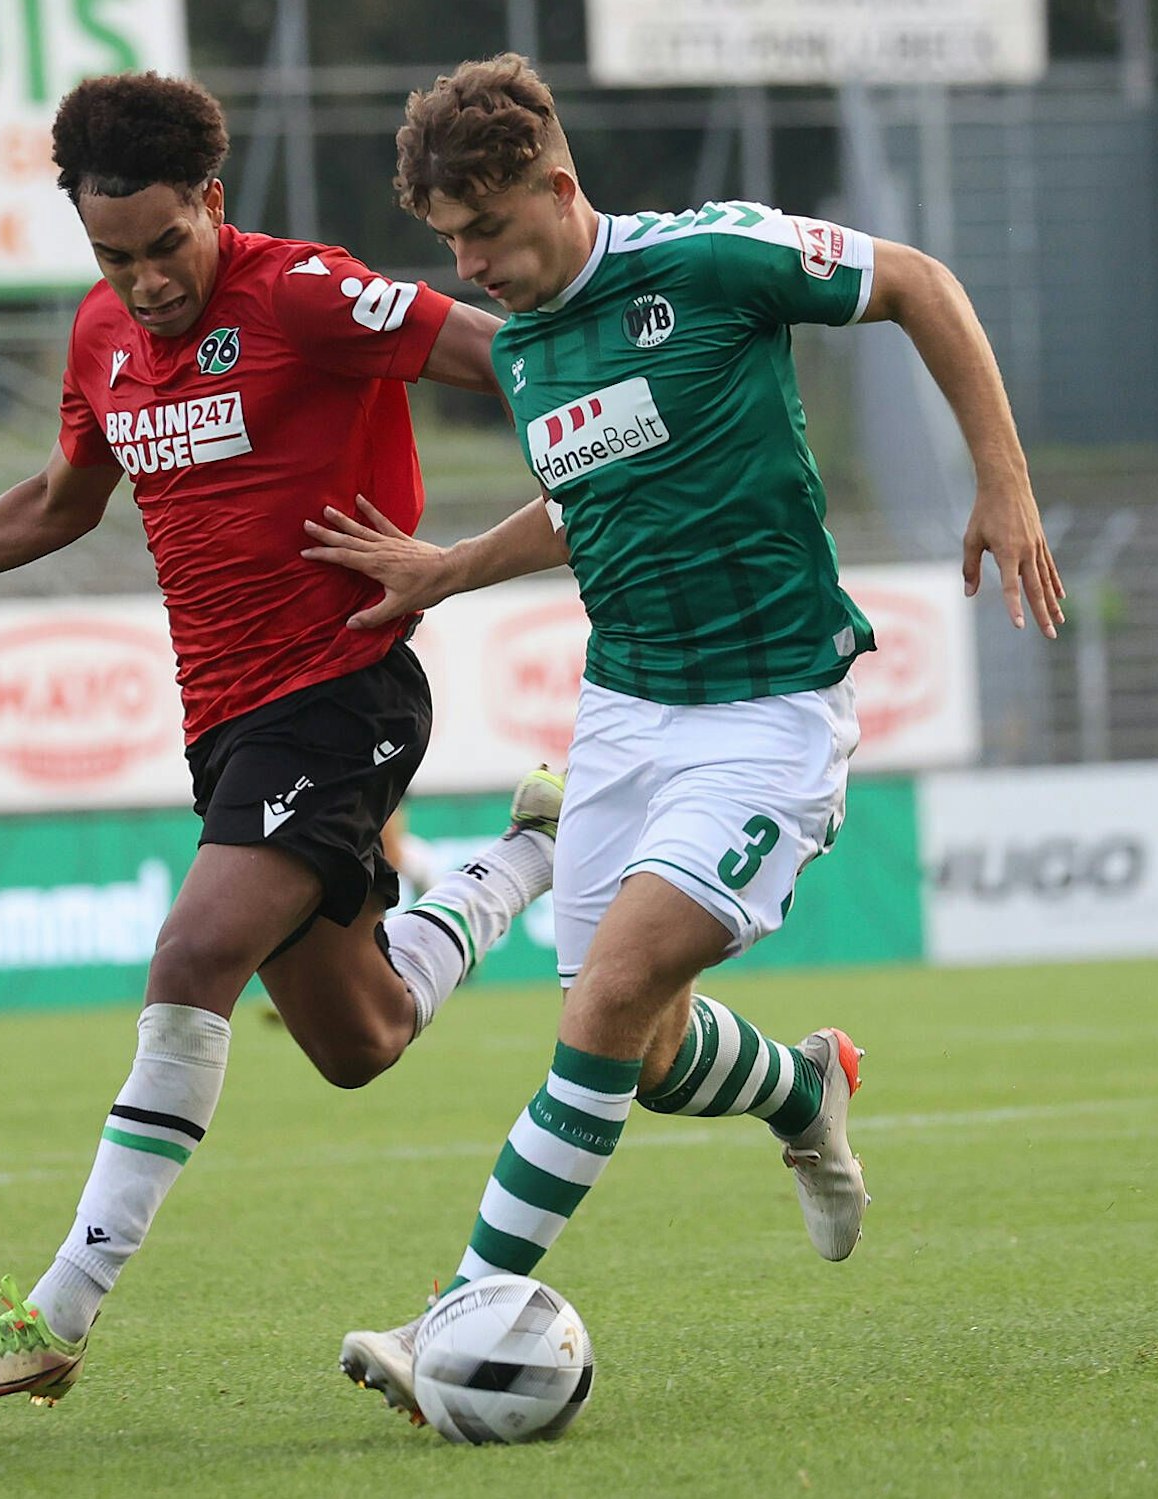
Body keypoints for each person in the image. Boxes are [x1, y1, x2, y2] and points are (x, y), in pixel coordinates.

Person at [0, 71, 563, 1410]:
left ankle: (54, 1315)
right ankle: (526, 859)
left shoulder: (306, 292)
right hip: (227, 723)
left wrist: (493, 541)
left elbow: (514, 352)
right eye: (111, 256)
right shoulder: (101, 333)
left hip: (344, 691)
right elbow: (60, 500)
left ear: (213, 200)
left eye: (163, 246)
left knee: (195, 951)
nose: (143, 282)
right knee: (359, 1035)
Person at [301, 55, 1062, 1421]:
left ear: (558, 183)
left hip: (769, 707)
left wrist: (1002, 482)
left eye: (489, 230)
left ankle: (454, 1314)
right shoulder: (528, 347)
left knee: (600, 1006)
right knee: (639, 1051)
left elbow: (922, 285)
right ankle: (803, 1083)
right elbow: (587, 496)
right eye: (451, 242)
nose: (473, 265)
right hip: (628, 711)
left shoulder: (714, 259)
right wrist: (447, 566)